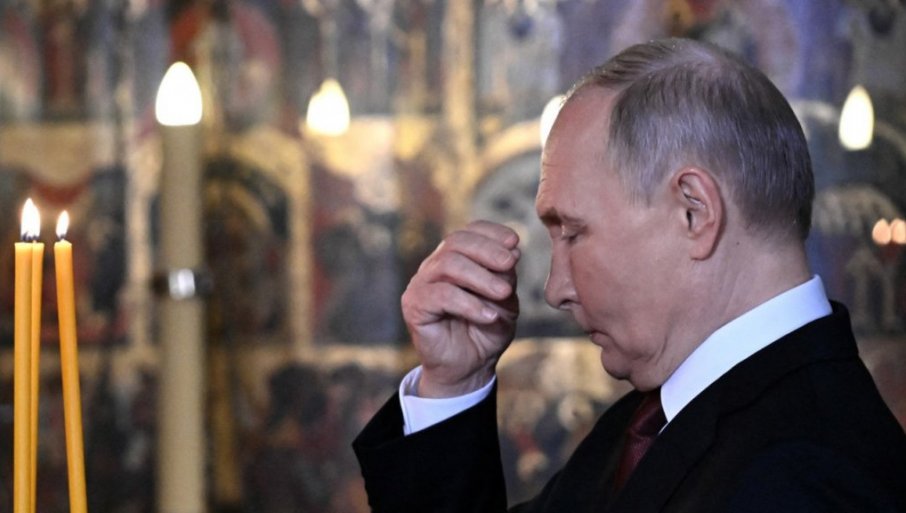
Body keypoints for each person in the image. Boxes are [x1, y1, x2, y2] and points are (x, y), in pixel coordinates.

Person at [352, 38, 906, 512]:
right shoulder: (654, 420)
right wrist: (453, 385)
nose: (555, 290)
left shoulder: (805, 474)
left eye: (573, 232)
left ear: (694, 212)